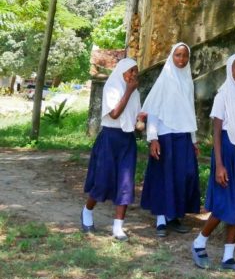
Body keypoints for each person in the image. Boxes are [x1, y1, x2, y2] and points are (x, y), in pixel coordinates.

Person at [191, 54, 235, 273]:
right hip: (226, 152)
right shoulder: (223, 95)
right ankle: (199, 242)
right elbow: (217, 132)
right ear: (230, 70)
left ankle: (228, 257)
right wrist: (219, 164)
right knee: (223, 205)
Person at [81, 58, 147, 241]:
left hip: (127, 141)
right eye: (130, 71)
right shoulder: (112, 88)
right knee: (102, 180)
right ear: (121, 71)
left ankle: (118, 227)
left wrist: (140, 122)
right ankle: (87, 211)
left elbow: (135, 121)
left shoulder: (135, 93)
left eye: (136, 72)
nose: (133, 75)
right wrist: (128, 91)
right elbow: (114, 114)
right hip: (110, 139)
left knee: (125, 184)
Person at [140, 42, 201, 237]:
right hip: (165, 135)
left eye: (185, 56)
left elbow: (189, 111)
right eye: (178, 55)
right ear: (171, 57)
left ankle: (174, 216)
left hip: (183, 135)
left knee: (185, 175)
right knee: (164, 177)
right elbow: (155, 110)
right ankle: (160, 220)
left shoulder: (188, 81)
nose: (181, 60)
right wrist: (153, 137)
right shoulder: (165, 80)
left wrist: (193, 140)